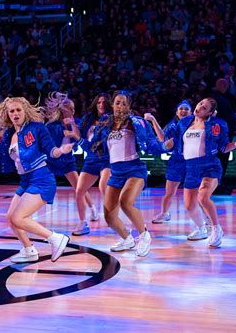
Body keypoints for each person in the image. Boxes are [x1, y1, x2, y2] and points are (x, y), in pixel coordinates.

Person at [0, 96, 73, 263]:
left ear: (25, 111)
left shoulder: (37, 128)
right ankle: (29, 250)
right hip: (26, 181)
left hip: (42, 179)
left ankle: (55, 238)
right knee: (11, 218)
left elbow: (51, 151)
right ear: (7, 114)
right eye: (12, 111)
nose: (15, 113)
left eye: (18, 110)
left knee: (18, 218)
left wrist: (61, 150)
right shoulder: (9, 135)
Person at [92, 91, 173, 256]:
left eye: (124, 103)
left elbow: (151, 144)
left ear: (129, 106)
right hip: (115, 173)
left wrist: (165, 147)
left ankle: (144, 235)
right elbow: (93, 145)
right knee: (109, 216)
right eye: (117, 103)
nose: (120, 106)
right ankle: (127, 239)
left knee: (126, 202)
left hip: (135, 169)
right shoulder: (105, 123)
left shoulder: (137, 123)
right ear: (112, 105)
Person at [175, 98, 236, 247]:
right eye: (199, 104)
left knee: (203, 197)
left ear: (210, 112)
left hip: (210, 165)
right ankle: (201, 229)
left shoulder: (217, 124)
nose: (199, 108)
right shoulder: (185, 122)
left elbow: (224, 148)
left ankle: (216, 229)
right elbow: (171, 139)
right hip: (191, 167)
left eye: (204, 108)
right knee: (189, 206)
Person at [44, 92, 96, 236]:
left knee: (80, 187)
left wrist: (72, 126)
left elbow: (81, 138)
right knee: (40, 181)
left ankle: (92, 209)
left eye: (73, 109)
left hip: (67, 161)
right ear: (62, 110)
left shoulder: (76, 123)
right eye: (69, 109)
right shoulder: (51, 125)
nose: (72, 111)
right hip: (51, 160)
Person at [144, 100, 192, 224]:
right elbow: (162, 138)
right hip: (176, 161)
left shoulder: (196, 123)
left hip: (193, 161)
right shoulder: (173, 125)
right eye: (181, 108)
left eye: (186, 109)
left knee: (197, 193)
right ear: (176, 112)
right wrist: (153, 120)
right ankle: (165, 213)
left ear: (191, 112)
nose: (183, 111)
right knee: (169, 192)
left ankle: (206, 219)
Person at [73, 93, 112, 236]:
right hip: (91, 158)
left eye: (104, 102)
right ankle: (83, 223)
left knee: (104, 187)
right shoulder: (88, 118)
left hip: (106, 158)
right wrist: (71, 122)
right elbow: (78, 133)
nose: (101, 105)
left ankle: (113, 218)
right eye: (99, 102)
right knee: (79, 191)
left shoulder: (110, 119)